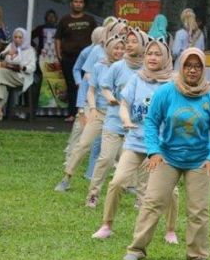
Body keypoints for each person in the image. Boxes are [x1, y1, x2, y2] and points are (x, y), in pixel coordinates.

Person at [123, 48, 210, 260]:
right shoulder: (167, 91)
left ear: (203, 69)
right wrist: (154, 151)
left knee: (199, 210)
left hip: (200, 160)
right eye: (188, 65)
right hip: (167, 157)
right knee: (152, 203)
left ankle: (197, 256)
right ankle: (136, 249)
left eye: (197, 66)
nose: (192, 70)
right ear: (181, 67)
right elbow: (152, 121)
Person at [92, 38, 179, 243]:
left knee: (171, 190)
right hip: (135, 141)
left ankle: (170, 230)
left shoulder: (172, 84)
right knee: (117, 182)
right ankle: (106, 225)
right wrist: (126, 119)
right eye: (149, 53)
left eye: (158, 54)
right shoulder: (136, 79)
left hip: (161, 146)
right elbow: (124, 104)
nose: (152, 58)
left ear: (166, 58)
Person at [85, 28, 148, 207]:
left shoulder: (147, 68)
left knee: (142, 163)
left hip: (137, 124)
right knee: (106, 159)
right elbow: (103, 86)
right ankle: (93, 194)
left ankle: (141, 200)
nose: (129, 45)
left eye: (134, 41)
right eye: (127, 41)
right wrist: (109, 97)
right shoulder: (117, 66)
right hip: (114, 120)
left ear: (143, 45)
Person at [54, 34, 125, 192]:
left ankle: (130, 185)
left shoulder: (127, 68)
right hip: (99, 113)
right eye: (116, 48)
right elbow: (90, 90)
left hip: (118, 117)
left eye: (122, 48)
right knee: (83, 144)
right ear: (108, 49)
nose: (119, 51)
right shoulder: (99, 66)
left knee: (125, 152)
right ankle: (66, 178)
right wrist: (91, 109)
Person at [66, 26, 106, 180]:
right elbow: (78, 71)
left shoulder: (113, 55)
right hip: (86, 102)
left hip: (100, 106)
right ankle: (69, 164)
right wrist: (80, 106)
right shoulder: (90, 51)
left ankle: (90, 173)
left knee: (96, 142)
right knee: (79, 135)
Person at [54, 0, 97, 121]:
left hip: (88, 59)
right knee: (72, 85)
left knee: (89, 85)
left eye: (81, 2)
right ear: (71, 4)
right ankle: (72, 114)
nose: (78, 4)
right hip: (69, 58)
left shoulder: (90, 20)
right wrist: (58, 54)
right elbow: (57, 38)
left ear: (83, 4)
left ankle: (88, 112)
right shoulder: (64, 20)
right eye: (76, 1)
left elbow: (97, 37)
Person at [0, 28, 36, 120]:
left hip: (22, 77)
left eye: (20, 37)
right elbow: (0, 57)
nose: (17, 39)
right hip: (10, 74)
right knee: (1, 83)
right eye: (15, 37)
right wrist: (7, 52)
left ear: (24, 38)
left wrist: (22, 67)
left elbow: (32, 68)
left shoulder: (29, 50)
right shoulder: (11, 46)